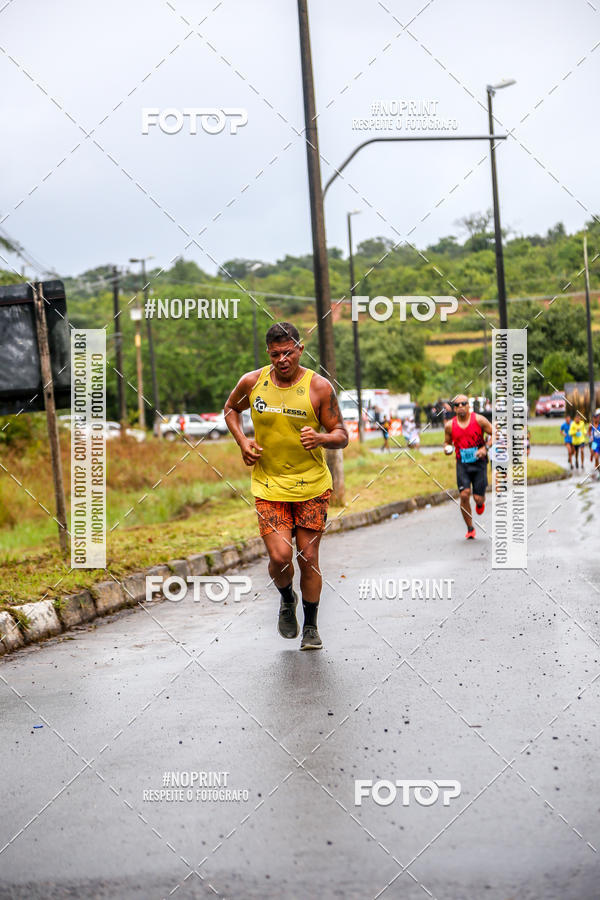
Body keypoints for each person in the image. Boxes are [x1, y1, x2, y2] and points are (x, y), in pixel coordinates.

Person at [224, 322, 348, 651]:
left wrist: (321, 436)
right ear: (269, 353)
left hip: (312, 486)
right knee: (280, 557)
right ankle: (285, 598)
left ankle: (311, 625)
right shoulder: (252, 382)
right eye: (276, 354)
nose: (282, 359)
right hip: (269, 486)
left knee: (308, 557)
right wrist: (242, 442)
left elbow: (342, 435)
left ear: (300, 349)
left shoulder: (319, 388)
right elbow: (230, 411)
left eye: (288, 352)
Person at [444, 394, 493, 539]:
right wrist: (446, 448)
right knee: (464, 494)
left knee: (478, 498)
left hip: (479, 463)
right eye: (457, 405)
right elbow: (446, 442)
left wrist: (485, 448)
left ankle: (480, 503)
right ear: (454, 408)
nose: (460, 407)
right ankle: (470, 528)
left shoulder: (479, 420)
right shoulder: (449, 426)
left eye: (463, 403)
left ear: (468, 406)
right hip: (462, 464)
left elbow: (495, 434)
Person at [589, 410, 600, 479]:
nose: (596, 419)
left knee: (596, 457)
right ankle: (598, 469)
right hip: (594, 443)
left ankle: (597, 469)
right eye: (595, 418)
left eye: (597, 417)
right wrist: (590, 437)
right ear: (593, 418)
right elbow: (589, 433)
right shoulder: (591, 426)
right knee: (595, 457)